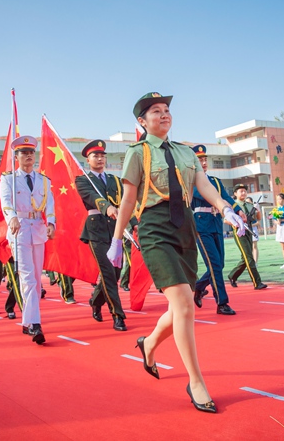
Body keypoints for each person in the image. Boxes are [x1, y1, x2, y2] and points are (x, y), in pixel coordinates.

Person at [106, 92, 246, 413]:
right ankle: (195, 380)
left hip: (185, 229)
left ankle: (149, 343)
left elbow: (204, 185)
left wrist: (225, 208)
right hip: (154, 228)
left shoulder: (185, 151)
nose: (164, 115)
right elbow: (128, 199)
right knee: (184, 303)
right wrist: (118, 239)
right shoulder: (137, 153)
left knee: (180, 306)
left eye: (167, 110)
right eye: (156, 111)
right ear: (142, 121)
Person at [0, 135, 56, 344]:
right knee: (28, 278)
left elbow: (50, 204)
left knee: (36, 277)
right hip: (19, 230)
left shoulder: (44, 180)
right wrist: (12, 218)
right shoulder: (8, 179)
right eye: (24, 153)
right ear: (17, 157)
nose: (28, 156)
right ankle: (35, 323)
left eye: (31, 152)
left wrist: (51, 223)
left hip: (38, 230)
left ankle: (27, 322)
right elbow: (5, 201)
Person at [75, 139, 129, 331]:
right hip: (96, 230)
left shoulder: (115, 180)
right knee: (107, 272)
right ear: (87, 160)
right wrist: (107, 208)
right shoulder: (83, 180)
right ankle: (117, 315)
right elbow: (92, 197)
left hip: (115, 230)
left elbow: (125, 203)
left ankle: (96, 301)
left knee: (114, 273)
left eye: (102, 156)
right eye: (95, 156)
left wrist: (133, 223)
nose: (99, 159)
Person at [190, 144, 242, 316]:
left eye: (205, 159)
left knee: (219, 264)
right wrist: (223, 205)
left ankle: (198, 287)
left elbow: (226, 198)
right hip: (201, 225)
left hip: (216, 224)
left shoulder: (216, 182)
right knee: (214, 264)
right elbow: (206, 195)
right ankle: (222, 303)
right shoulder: (192, 181)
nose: (203, 162)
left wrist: (238, 210)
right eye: (199, 160)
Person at [244, 197, 261, 263]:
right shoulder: (243, 209)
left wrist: (250, 225)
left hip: (253, 229)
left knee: (254, 246)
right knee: (248, 247)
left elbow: (258, 222)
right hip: (245, 228)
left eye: (249, 202)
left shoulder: (255, 211)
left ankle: (255, 262)